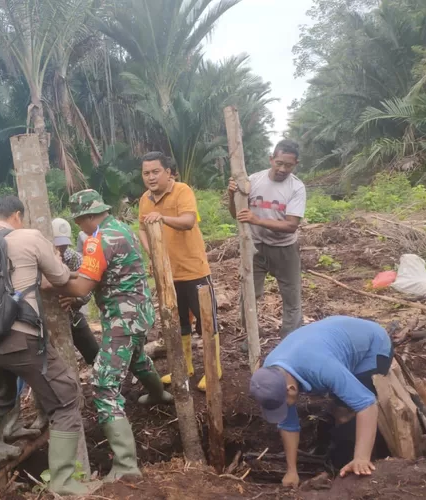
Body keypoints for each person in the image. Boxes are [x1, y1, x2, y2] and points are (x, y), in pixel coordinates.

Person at [0, 196, 97, 496]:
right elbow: (62, 276)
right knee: (66, 397)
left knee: (1, 392)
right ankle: (64, 483)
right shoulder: (28, 236)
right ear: (16, 216)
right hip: (19, 337)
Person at [56, 189, 172, 482]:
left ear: (87, 216)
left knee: (104, 385)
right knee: (137, 358)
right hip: (139, 313)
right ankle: (158, 394)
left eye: (79, 221)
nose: (79, 226)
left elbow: (83, 286)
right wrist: (76, 287)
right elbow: (101, 276)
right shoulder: (122, 229)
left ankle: (125, 465)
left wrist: (51, 284)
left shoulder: (98, 240)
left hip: (122, 319)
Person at [249, 316, 393, 488]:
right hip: (330, 344)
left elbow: (366, 404)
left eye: (283, 404)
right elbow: (288, 424)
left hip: (372, 347)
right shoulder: (271, 374)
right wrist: (291, 471)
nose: (284, 408)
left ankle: (352, 465)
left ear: (291, 389)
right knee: (341, 406)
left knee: (347, 413)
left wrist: (361, 457)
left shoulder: (321, 367)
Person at [137, 152, 220, 392]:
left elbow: (188, 221)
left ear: (168, 172)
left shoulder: (182, 191)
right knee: (177, 321)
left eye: (155, 172)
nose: (151, 177)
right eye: (146, 173)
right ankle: (184, 368)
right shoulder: (145, 199)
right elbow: (142, 227)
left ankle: (213, 369)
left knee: (207, 322)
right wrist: (152, 252)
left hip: (193, 270)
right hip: (167, 274)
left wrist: (162, 218)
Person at [228, 139, 306, 337]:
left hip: (285, 249)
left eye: (288, 165)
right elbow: (236, 214)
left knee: (292, 298)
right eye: (279, 163)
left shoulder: (296, 188)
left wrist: (256, 219)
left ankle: (291, 341)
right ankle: (251, 339)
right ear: (271, 159)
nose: (282, 169)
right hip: (255, 248)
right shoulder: (253, 181)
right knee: (248, 296)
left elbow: (291, 225)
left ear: (295, 164)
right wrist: (232, 195)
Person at [53, 217, 100, 366]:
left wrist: (74, 299)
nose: (61, 249)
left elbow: (89, 289)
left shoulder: (74, 258)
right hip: (48, 317)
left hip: (72, 314)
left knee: (94, 354)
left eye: (64, 245)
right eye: (58, 245)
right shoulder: (38, 258)